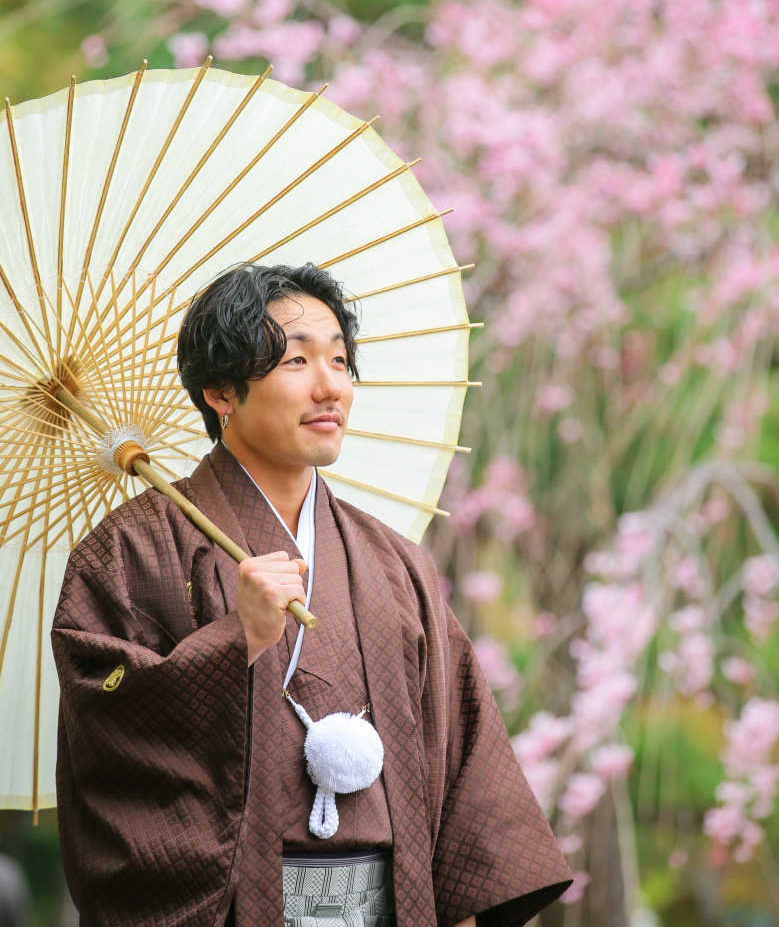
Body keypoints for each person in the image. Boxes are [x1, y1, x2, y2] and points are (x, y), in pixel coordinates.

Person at [53, 263, 571, 927]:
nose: (330, 388)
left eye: (340, 361)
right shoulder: (132, 551)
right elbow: (109, 719)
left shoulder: (395, 563)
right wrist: (234, 641)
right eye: (297, 361)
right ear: (221, 391)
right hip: (240, 907)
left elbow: (462, 748)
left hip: (392, 904)